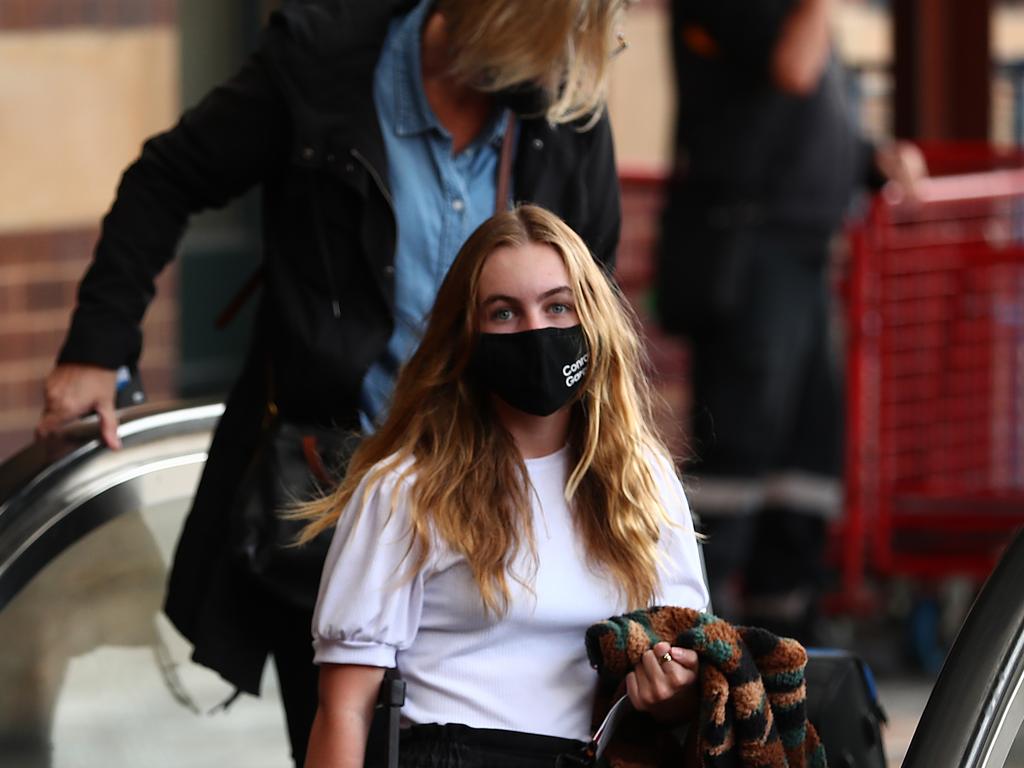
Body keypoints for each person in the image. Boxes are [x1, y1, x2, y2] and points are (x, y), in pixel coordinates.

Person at [34, 1, 626, 763]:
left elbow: (593, 300)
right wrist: (97, 347)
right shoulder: (324, 65)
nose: (566, 67)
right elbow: (166, 177)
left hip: (512, 524)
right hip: (328, 504)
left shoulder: (564, 104)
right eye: (550, 42)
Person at [300, 205, 709, 768]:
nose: (536, 330)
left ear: (593, 319)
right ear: (466, 335)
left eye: (558, 306)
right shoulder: (405, 489)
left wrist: (670, 692)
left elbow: (686, 681)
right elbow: (344, 711)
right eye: (504, 313)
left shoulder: (644, 482)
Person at [655, 0, 926, 641]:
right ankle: (700, 630)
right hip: (749, 252)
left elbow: (796, 115)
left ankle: (789, 640)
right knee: (740, 452)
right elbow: (794, 68)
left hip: (803, 255)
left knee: (807, 459)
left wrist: (869, 156)